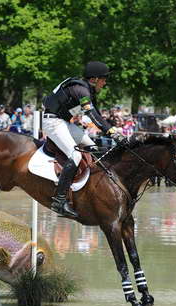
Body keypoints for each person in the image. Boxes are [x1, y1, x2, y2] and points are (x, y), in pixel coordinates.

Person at [42, 61, 124, 218]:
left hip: (64, 122)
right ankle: (59, 201)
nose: (105, 82)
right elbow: (91, 116)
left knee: (92, 147)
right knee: (76, 155)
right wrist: (113, 133)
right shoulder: (81, 90)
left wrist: (112, 131)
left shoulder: (88, 91)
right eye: (103, 79)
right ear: (93, 79)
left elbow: (98, 114)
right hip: (52, 121)